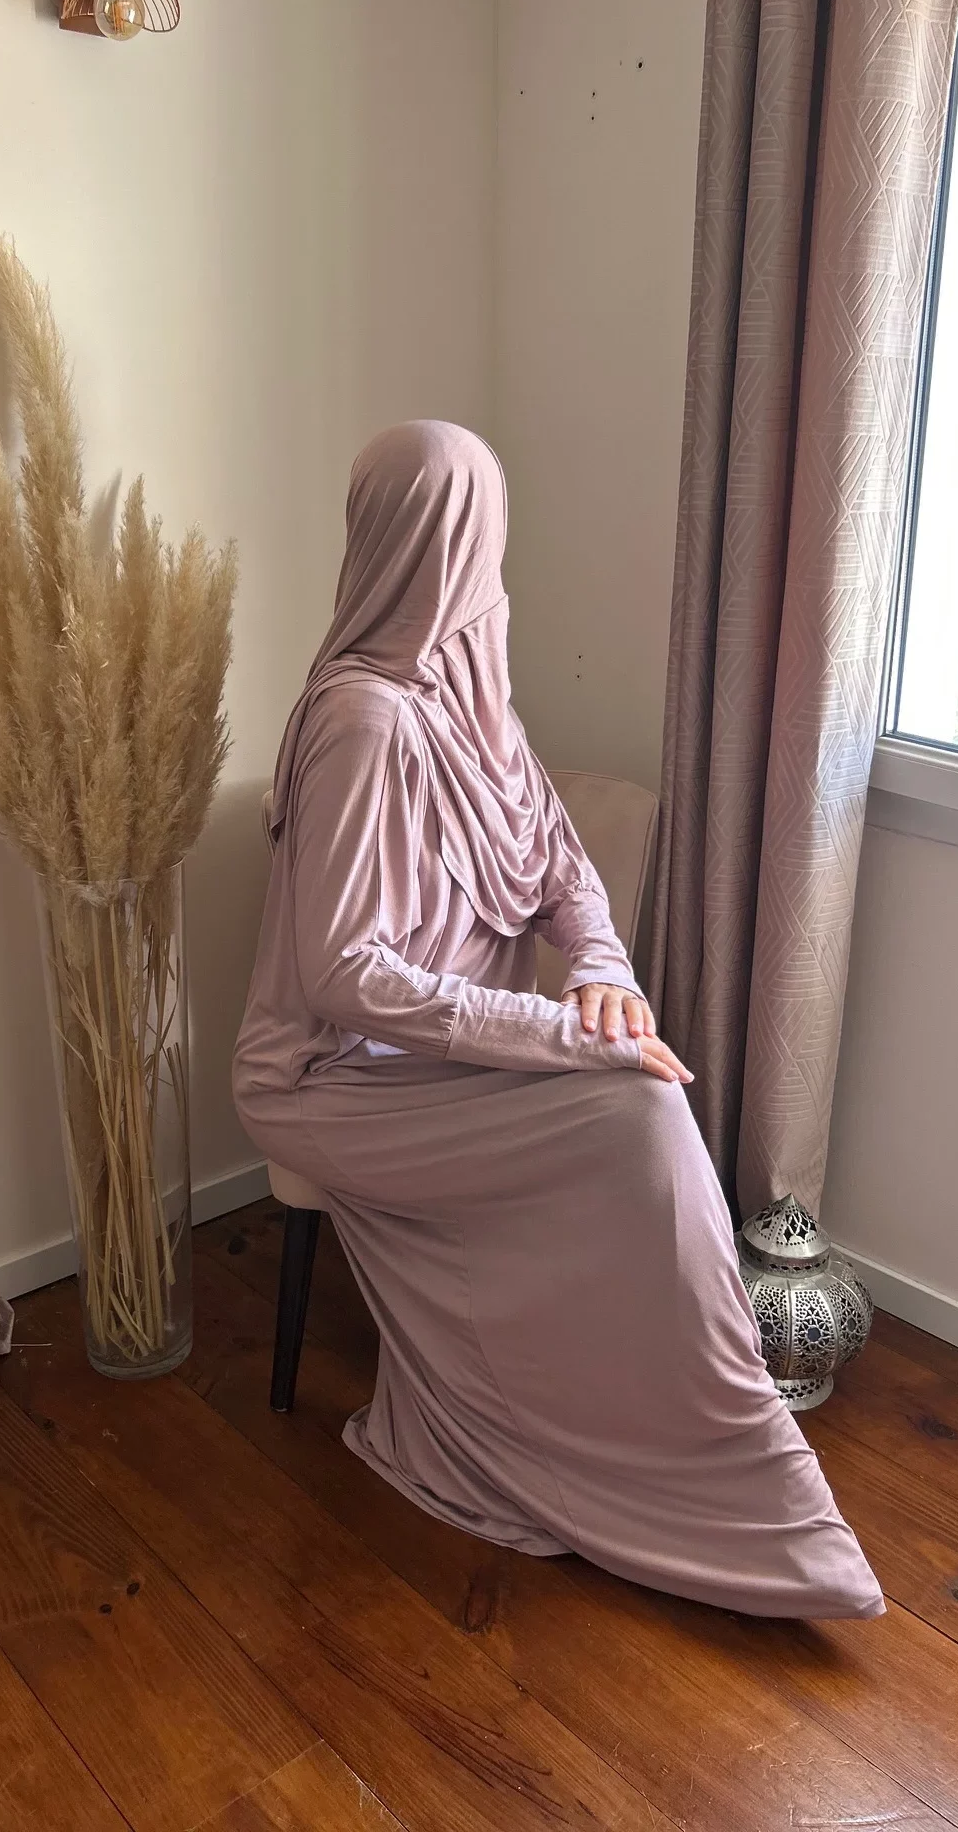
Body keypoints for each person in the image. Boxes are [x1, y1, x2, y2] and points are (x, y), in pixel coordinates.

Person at [233, 420, 883, 1620]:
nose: (492, 562)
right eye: (480, 532)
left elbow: (565, 872)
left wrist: (599, 975)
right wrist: (560, 1036)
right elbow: (341, 978)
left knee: (640, 1098)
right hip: (332, 1076)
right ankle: (698, 1460)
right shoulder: (363, 721)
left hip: (441, 1046)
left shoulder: (472, 704)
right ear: (446, 544)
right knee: (638, 1111)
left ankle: (677, 1429)